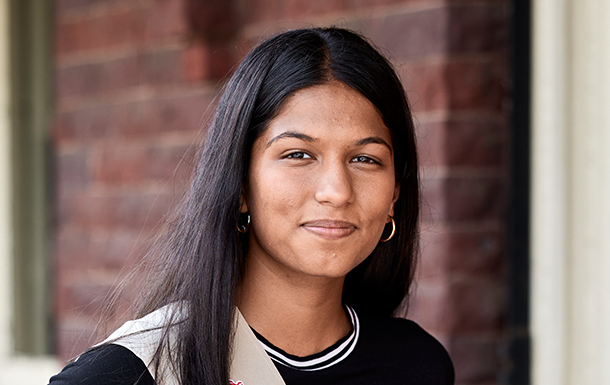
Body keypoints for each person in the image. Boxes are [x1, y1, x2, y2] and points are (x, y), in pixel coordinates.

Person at [48, 27, 454, 385]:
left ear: (395, 194)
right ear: (239, 182)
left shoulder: (417, 364)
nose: (336, 191)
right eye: (298, 154)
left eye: (365, 159)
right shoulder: (138, 372)